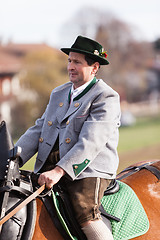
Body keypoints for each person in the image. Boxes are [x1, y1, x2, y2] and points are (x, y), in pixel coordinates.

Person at [16, 35, 121, 240]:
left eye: (77, 62)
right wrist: (13, 157)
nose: (71, 66)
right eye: (69, 61)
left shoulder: (106, 96)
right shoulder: (59, 93)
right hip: (50, 167)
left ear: (94, 67)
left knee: (84, 212)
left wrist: (59, 170)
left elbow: (91, 142)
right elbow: (39, 129)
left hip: (90, 170)